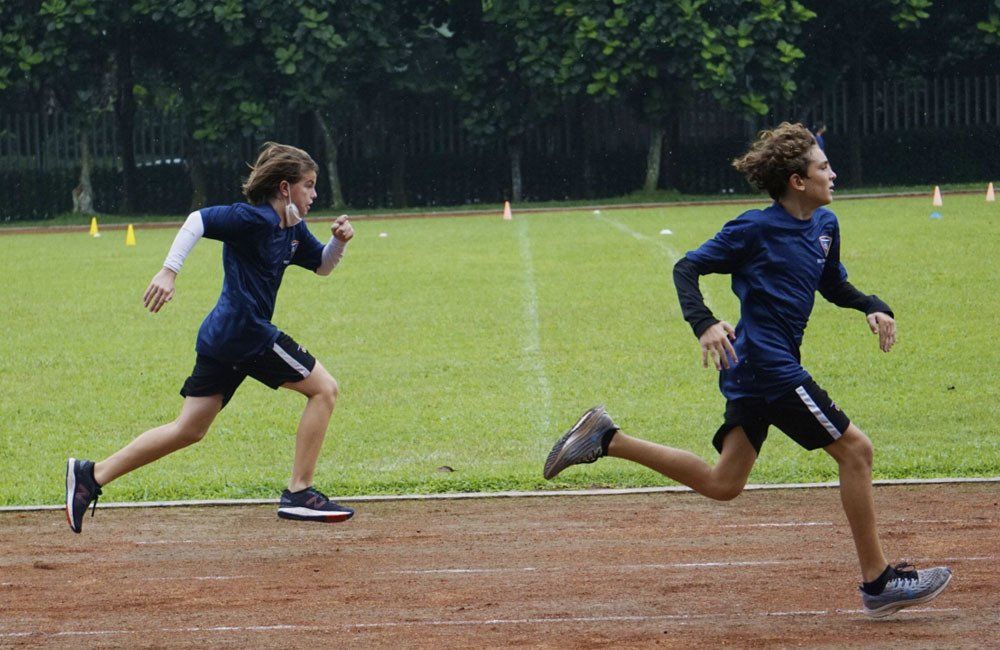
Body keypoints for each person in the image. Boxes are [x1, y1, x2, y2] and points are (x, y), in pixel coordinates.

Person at [543, 122, 951, 618]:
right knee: (856, 451)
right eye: (824, 167)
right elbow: (685, 268)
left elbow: (832, 283)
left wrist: (872, 305)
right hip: (767, 367)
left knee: (724, 483)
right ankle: (879, 582)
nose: (834, 173)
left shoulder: (825, 227)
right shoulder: (754, 228)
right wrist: (705, 322)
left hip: (756, 369)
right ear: (798, 181)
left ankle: (606, 438)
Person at [66, 142, 357, 532]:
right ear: (285, 188)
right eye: (309, 185)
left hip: (224, 337)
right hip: (246, 333)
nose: (314, 194)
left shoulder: (291, 230)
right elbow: (197, 220)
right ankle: (299, 492)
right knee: (325, 389)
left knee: (189, 429)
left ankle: (90, 475)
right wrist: (169, 271)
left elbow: (321, 266)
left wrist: (338, 242)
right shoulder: (251, 219)